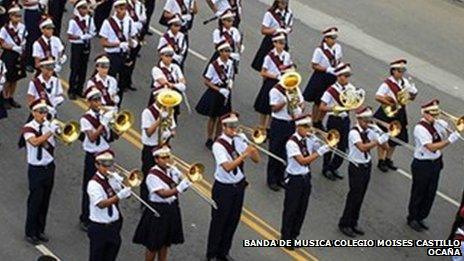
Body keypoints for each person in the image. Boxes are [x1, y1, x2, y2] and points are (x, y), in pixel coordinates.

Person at [206, 112, 260, 261]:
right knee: (219, 221)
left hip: (238, 186)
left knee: (233, 220)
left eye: (235, 126)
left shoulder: (239, 139)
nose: (234, 130)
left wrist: (252, 147)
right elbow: (227, 167)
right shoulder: (218, 145)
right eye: (231, 127)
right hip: (224, 188)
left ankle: (223, 252)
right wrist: (244, 155)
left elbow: (256, 160)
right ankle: (211, 254)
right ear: (223, 127)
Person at [407, 99, 460, 232]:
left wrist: (445, 127)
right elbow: (430, 147)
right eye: (431, 114)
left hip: (435, 162)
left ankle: (421, 217)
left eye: (435, 113)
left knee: (430, 192)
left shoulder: (436, 124)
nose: (434, 116)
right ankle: (412, 217)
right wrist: (449, 141)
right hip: (423, 164)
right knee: (419, 192)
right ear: (424, 113)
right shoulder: (420, 128)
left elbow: (443, 134)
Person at [338, 106, 390, 237]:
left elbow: (386, 147)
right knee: (354, 196)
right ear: (359, 119)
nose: (368, 123)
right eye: (365, 121)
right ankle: (345, 223)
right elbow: (362, 147)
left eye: (369, 121)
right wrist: (377, 141)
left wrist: (382, 135)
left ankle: (353, 222)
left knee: (360, 196)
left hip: (367, 165)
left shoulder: (370, 131)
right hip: (356, 166)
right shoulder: (354, 133)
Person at [133, 145, 191, 261]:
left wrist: (183, 178)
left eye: (167, 157)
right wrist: (179, 188)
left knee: (165, 242)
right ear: (156, 159)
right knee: (153, 245)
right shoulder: (152, 175)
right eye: (162, 158)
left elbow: (179, 183)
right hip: (158, 210)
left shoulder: (171, 171)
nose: (166, 160)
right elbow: (162, 193)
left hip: (171, 208)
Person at [281, 114, 329, 248]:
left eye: (309, 126)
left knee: (302, 209)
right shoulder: (291, 143)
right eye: (306, 127)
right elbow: (302, 161)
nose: (309, 129)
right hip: (294, 179)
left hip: (306, 177)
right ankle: (286, 238)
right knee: (291, 210)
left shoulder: (308, 139)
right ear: (298, 127)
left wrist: (322, 141)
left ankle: (294, 236)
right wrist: (320, 152)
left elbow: (315, 149)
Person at [79, 87, 119, 231]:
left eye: (99, 99)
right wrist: (103, 123)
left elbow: (112, 137)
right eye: (95, 100)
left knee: (109, 185)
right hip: (93, 156)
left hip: (106, 153)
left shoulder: (103, 115)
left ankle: (107, 215)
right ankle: (85, 217)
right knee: (90, 186)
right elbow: (92, 137)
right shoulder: (86, 118)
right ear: (89, 102)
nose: (98, 102)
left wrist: (116, 126)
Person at [22, 99, 61, 244]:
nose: (43, 115)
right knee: (35, 201)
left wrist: (56, 130)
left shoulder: (47, 125)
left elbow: (61, 140)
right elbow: (34, 142)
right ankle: (30, 232)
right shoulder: (28, 127)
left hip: (49, 166)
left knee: (45, 201)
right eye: (40, 112)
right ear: (33, 113)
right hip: (36, 169)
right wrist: (50, 131)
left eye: (45, 112)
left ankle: (40, 230)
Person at [87, 149, 132, 261]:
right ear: (97, 165)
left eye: (109, 166)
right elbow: (101, 204)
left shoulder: (112, 179)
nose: (107, 169)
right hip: (100, 228)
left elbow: (127, 194)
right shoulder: (93, 184)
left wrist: (123, 184)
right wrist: (119, 196)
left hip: (114, 226)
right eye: (104, 166)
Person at [373, 59, 418, 172]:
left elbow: (411, 98)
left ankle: (388, 159)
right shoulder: (387, 84)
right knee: (383, 136)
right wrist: (391, 102)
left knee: (396, 137)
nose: (402, 73)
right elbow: (378, 96)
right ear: (393, 71)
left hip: (400, 112)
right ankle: (381, 160)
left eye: (403, 70)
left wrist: (413, 93)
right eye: (399, 70)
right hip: (388, 112)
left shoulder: (404, 82)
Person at [319, 63, 360, 181]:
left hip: (345, 119)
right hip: (333, 119)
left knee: (343, 146)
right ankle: (325, 168)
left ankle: (333, 167)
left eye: (348, 76)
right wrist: (333, 108)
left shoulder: (350, 88)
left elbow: (354, 103)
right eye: (345, 76)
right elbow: (322, 106)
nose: (347, 78)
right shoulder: (331, 90)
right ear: (339, 76)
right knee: (331, 144)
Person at [267, 68, 304, 191]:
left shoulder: (295, 88)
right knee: (275, 151)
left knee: (286, 152)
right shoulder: (275, 91)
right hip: (279, 124)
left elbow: (302, 103)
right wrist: (285, 100)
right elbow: (274, 109)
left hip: (291, 123)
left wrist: (299, 107)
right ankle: (271, 179)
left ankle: (281, 177)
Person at [140, 87, 177, 203]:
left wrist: (170, 132)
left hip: (163, 146)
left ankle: (162, 196)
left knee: (164, 173)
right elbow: (149, 132)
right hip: (151, 148)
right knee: (149, 175)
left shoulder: (168, 110)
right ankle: (146, 201)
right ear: (156, 97)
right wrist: (159, 120)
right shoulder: (148, 112)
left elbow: (173, 128)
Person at [196, 41, 234, 150]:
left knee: (222, 118)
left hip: (225, 91)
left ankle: (218, 137)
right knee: (213, 117)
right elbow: (207, 81)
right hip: (216, 92)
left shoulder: (230, 63)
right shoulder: (213, 65)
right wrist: (219, 89)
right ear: (220, 52)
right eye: (225, 51)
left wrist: (230, 84)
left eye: (229, 51)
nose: (227, 54)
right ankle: (209, 138)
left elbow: (230, 75)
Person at [99, 0, 138, 104]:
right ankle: (107, 104)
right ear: (115, 9)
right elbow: (103, 42)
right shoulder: (108, 22)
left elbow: (133, 36)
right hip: (112, 55)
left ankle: (117, 106)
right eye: (120, 8)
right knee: (110, 82)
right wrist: (118, 44)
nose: (122, 11)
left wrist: (133, 42)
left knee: (121, 84)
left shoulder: (129, 21)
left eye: (124, 8)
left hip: (124, 55)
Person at [303, 27, 342, 130]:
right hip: (321, 76)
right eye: (331, 38)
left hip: (333, 76)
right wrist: (327, 69)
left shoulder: (337, 47)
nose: (333, 40)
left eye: (335, 38)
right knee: (318, 101)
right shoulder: (319, 50)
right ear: (326, 39)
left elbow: (339, 59)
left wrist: (338, 68)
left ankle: (320, 120)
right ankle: (314, 121)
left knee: (328, 100)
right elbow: (314, 65)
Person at [253, 32, 293, 132]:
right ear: (274, 43)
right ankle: (261, 127)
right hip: (270, 82)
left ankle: (269, 128)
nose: (282, 45)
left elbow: (290, 67)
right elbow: (263, 72)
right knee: (265, 107)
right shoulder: (269, 57)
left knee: (274, 107)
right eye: (279, 43)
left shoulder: (286, 55)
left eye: (283, 43)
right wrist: (275, 76)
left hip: (281, 83)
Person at [251, 0, 293, 72]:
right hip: (270, 41)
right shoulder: (270, 13)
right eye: (281, 2)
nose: (283, 5)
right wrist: (276, 30)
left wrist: (288, 30)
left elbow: (290, 26)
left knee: (280, 68)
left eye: (285, 3)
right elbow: (263, 30)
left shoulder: (289, 13)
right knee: (266, 67)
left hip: (282, 41)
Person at [67, 0, 96, 100]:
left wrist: (89, 35)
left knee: (83, 68)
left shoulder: (89, 19)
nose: (84, 10)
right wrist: (81, 37)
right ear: (78, 9)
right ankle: (71, 90)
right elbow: (70, 36)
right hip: (77, 46)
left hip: (86, 45)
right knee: (75, 68)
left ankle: (79, 89)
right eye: (82, 8)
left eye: (85, 8)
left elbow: (93, 31)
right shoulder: (74, 21)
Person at [148, 45, 186, 122]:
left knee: (172, 120)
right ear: (161, 56)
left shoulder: (175, 67)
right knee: (155, 118)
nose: (169, 58)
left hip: (172, 96)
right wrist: (176, 85)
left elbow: (183, 81)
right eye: (166, 56)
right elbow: (163, 82)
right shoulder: (156, 69)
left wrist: (173, 85)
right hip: (160, 96)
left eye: (171, 56)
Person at [0, 4, 27, 109]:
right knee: (7, 78)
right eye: (15, 16)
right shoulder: (4, 29)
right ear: (10, 16)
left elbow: (24, 39)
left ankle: (11, 97)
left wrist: (22, 47)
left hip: (19, 54)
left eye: (19, 16)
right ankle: (5, 97)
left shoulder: (22, 27)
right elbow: (2, 43)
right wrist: (13, 48)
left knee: (15, 78)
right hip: (9, 54)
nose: (18, 18)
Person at [22, 0, 42, 72]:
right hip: (30, 13)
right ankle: (28, 62)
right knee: (31, 38)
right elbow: (25, 3)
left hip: (38, 12)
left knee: (38, 37)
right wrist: (38, 1)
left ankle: (35, 61)